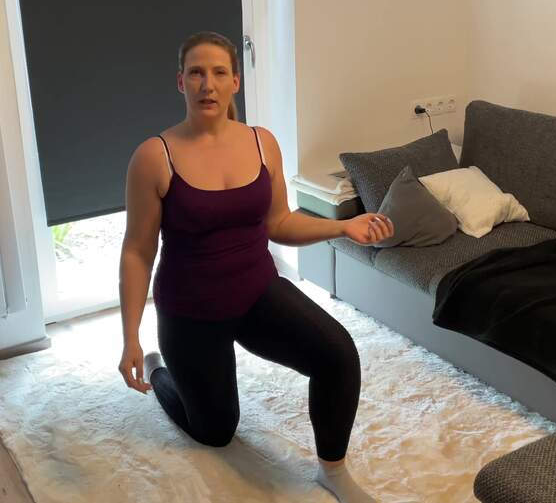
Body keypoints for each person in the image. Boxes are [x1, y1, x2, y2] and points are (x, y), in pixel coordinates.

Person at [118, 31, 394, 503]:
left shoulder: (262, 143)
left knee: (338, 355)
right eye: (196, 73)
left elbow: (279, 223)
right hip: (190, 311)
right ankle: (161, 369)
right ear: (180, 82)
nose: (208, 84)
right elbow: (137, 252)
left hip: (256, 293)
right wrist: (130, 338)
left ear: (235, 82)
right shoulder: (153, 157)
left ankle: (333, 471)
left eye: (218, 73)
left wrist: (342, 227)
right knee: (215, 431)